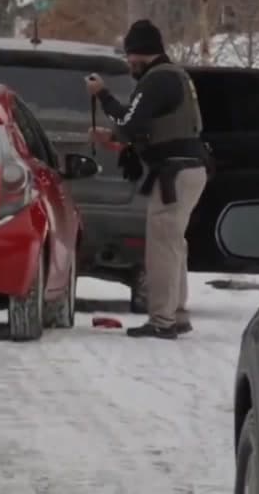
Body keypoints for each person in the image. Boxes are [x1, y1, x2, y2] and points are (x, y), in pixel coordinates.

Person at [85, 19, 208, 340]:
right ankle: (177, 314)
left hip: (174, 173)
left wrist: (103, 96)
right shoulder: (176, 76)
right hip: (190, 169)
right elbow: (145, 128)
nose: (129, 65)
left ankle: (162, 321)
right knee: (174, 244)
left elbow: (130, 119)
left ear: (140, 54)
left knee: (162, 247)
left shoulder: (157, 79)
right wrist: (115, 136)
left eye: (129, 58)